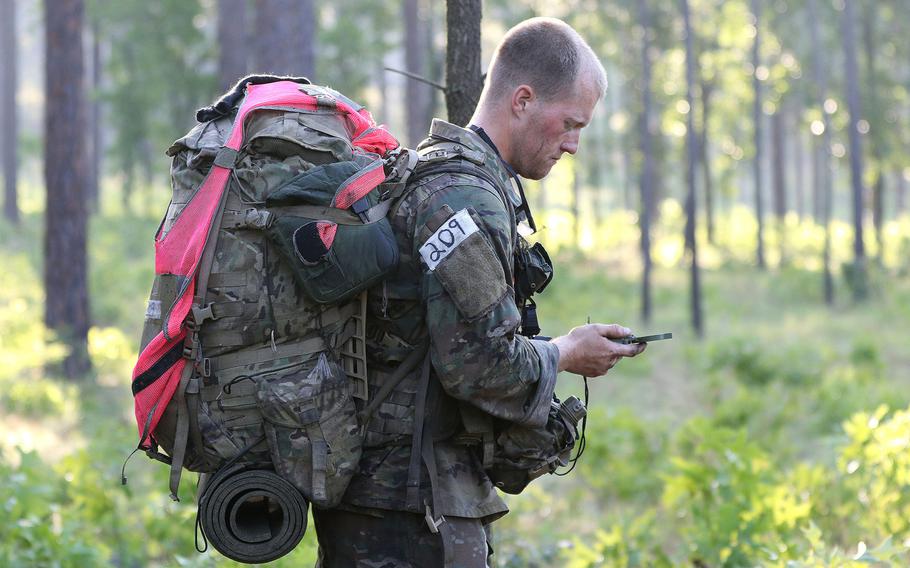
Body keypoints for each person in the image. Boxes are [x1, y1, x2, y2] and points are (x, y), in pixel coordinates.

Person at [312, 17, 646, 567]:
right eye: (569, 123)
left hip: (394, 497)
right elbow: (481, 365)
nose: (574, 145)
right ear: (522, 100)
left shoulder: (441, 173)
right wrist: (566, 352)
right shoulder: (462, 197)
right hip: (410, 505)